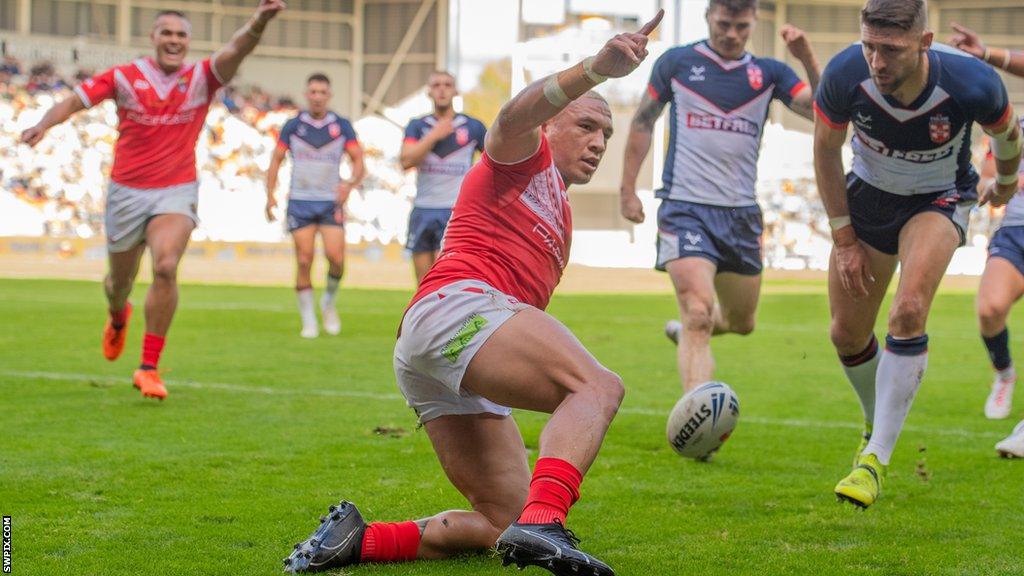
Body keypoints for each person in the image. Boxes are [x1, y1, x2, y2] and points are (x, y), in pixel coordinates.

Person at [283, 11, 663, 576]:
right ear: (550, 125)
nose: (599, 141)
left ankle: (357, 541)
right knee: (596, 389)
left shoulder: (559, 209)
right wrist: (594, 72)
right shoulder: (520, 157)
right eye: (586, 126)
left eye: (605, 133)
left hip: (432, 345)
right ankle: (547, 521)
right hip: (459, 307)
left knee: (498, 521)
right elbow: (514, 114)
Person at [20, 2, 285, 400]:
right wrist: (43, 124)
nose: (174, 41)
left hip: (175, 190)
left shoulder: (201, 78)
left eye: (181, 35)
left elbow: (236, 50)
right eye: (167, 33)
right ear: (154, 38)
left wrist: (259, 20)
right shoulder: (125, 77)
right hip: (127, 192)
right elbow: (75, 101)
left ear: (188, 42)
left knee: (165, 266)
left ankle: (148, 367)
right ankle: (117, 315)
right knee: (119, 284)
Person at [814, 0, 1021, 507]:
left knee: (908, 310)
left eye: (891, 49)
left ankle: (874, 460)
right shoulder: (845, 73)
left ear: (924, 44)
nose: (877, 61)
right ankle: (875, 417)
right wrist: (844, 240)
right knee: (846, 332)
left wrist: (1007, 182)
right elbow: (824, 149)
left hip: (939, 198)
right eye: (870, 46)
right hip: (866, 195)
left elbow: (1009, 137)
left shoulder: (973, 82)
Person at [619, 0, 820, 406]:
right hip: (684, 206)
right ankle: (698, 415)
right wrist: (627, 189)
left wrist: (807, 59)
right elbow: (642, 121)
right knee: (698, 312)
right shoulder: (677, 63)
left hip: (741, 212)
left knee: (742, 323)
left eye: (741, 26)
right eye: (724, 24)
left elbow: (823, 111)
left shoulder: (769, 73)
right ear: (709, 16)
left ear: (753, 22)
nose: (731, 33)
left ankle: (691, 330)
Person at [949, 22, 1024, 457]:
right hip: (1016, 230)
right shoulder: (1016, 127)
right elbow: (994, 177)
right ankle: (1004, 373)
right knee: (990, 309)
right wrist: (988, 54)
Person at [266, 73, 365, 338]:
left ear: (329, 95)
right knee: (304, 258)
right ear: (306, 94)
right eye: (313, 92)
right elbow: (276, 160)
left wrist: (350, 184)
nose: (318, 96)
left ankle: (328, 302)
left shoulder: (341, 125)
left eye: (322, 92)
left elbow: (358, 161)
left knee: (336, 258)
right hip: (300, 201)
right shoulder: (293, 125)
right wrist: (270, 195)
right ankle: (308, 319)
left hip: (330, 202)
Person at [400, 71, 486, 284]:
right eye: (436, 85)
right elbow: (406, 161)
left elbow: (493, 164)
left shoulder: (473, 126)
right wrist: (434, 135)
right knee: (423, 284)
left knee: (447, 281)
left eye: (447, 84)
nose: (442, 89)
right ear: (429, 91)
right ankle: (425, 318)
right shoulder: (417, 126)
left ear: (455, 91)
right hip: (423, 209)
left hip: (456, 212)